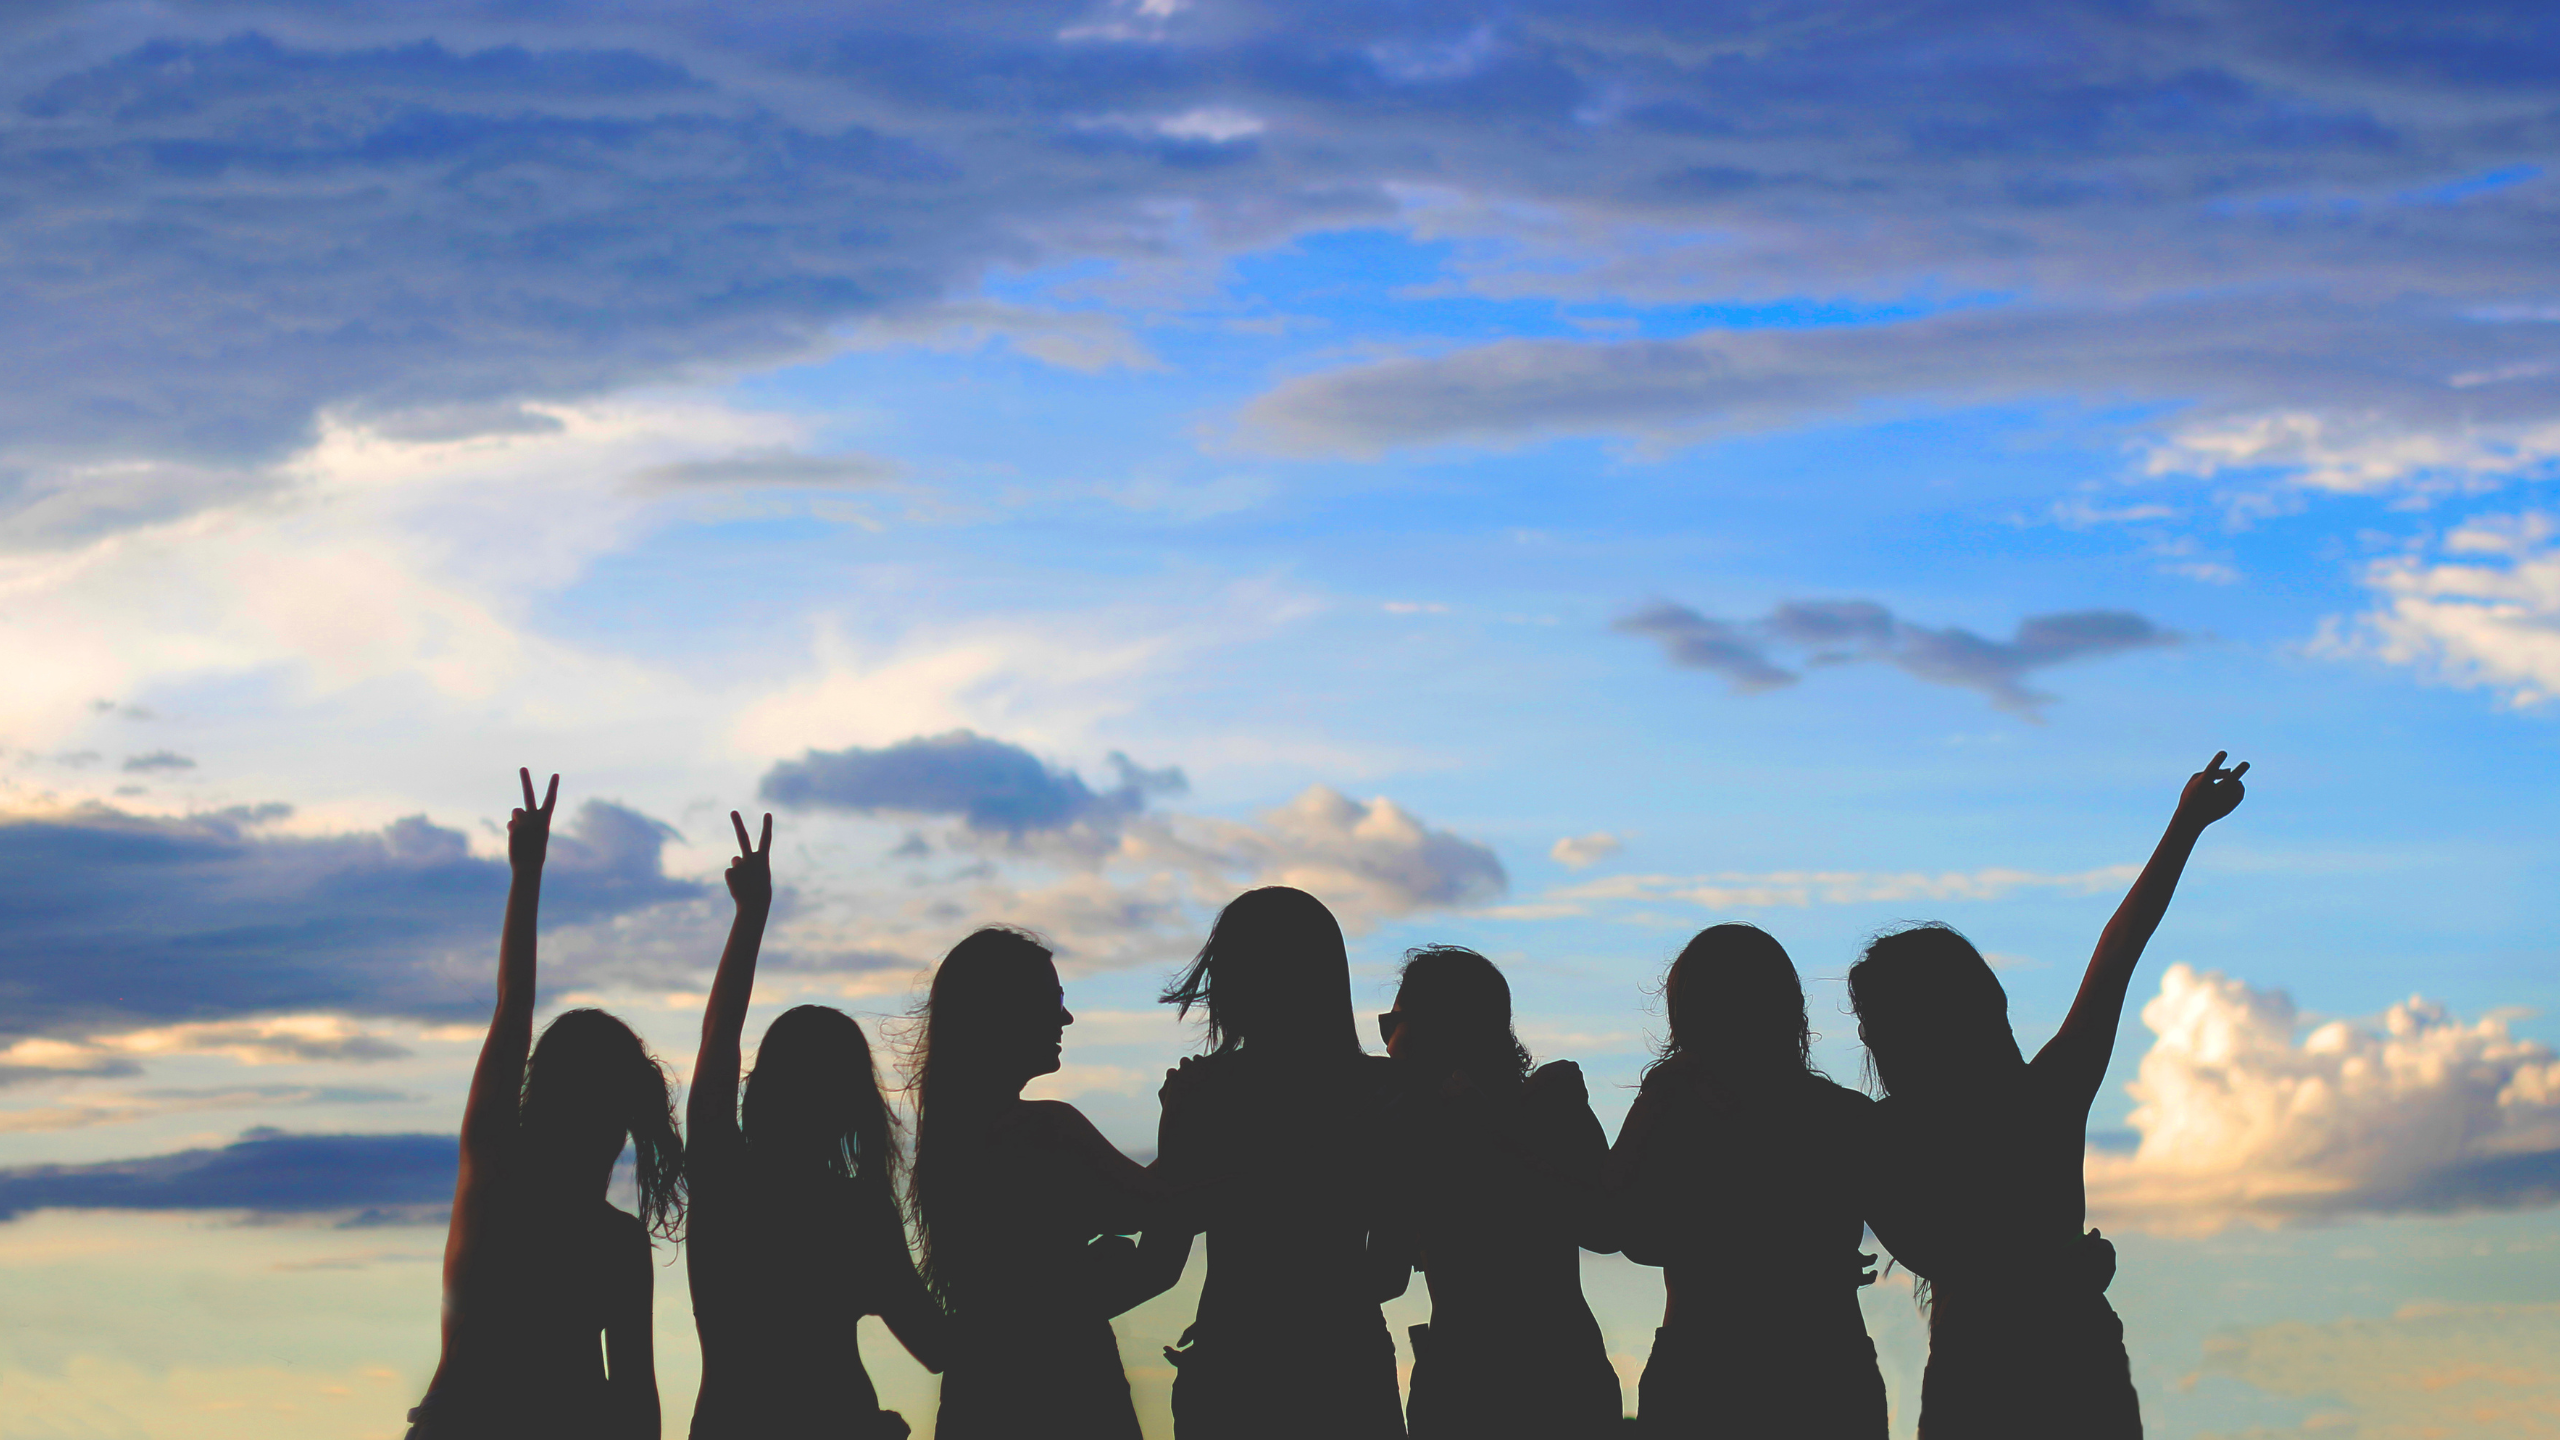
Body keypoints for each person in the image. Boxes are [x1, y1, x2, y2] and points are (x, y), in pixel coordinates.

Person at [1853, 751, 2250, 1439]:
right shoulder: (2048, 1096)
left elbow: (1944, 1257)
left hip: (1973, 1376)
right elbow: (2121, 947)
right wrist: (2184, 825)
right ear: (1985, 1004)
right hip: (2077, 1364)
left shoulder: (1878, 1135)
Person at [407, 770, 684, 1440]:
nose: (609, 1139)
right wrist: (526, 872)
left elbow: (639, 1404)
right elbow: (514, 1006)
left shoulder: (502, 1181)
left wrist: (528, 870)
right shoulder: (514, 1183)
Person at [685, 812, 945, 1440]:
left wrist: (751, 916)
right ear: (853, 1102)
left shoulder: (724, 1182)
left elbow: (717, 1042)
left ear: (764, 1088)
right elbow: (941, 1346)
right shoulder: (858, 1212)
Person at [910, 926, 1195, 1440]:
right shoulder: (1047, 1131)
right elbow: (1164, 1213)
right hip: (1075, 1400)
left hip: (977, 1404)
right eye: (1053, 999)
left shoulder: (955, 1145)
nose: (1065, 1016)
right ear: (1004, 1012)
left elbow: (1125, 1205)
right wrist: (1183, 1124)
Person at [1605, 923, 1885, 1439]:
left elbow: (1611, 1226)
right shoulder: (1843, 1116)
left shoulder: (1670, 1113)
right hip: (1824, 1366)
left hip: (1701, 1366)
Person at [1155, 885, 1404, 1440]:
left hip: (1231, 1368)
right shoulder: (1384, 1091)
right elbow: (1389, 1270)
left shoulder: (1206, 1093)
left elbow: (1162, 1248)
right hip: (1346, 1365)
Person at [1373, 946, 1620, 1440]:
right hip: (1547, 1381)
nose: (1385, 1044)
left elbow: (1607, 1227)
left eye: (1391, 1022)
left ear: (1431, 1027)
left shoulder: (1549, 1105)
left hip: (1480, 1389)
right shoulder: (1423, 1124)